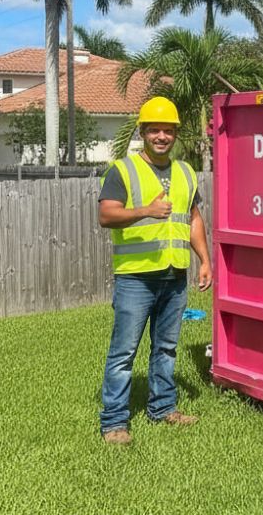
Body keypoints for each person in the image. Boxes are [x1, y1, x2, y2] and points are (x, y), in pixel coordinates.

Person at [96, 96, 212, 445]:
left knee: (166, 348)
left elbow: (192, 219)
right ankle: (114, 423)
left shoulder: (186, 172)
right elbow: (106, 215)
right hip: (135, 278)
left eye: (168, 130)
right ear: (142, 132)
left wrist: (204, 260)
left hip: (174, 277)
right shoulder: (122, 170)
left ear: (175, 133)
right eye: (154, 130)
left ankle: (163, 408)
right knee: (123, 353)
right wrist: (145, 210)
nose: (161, 136)